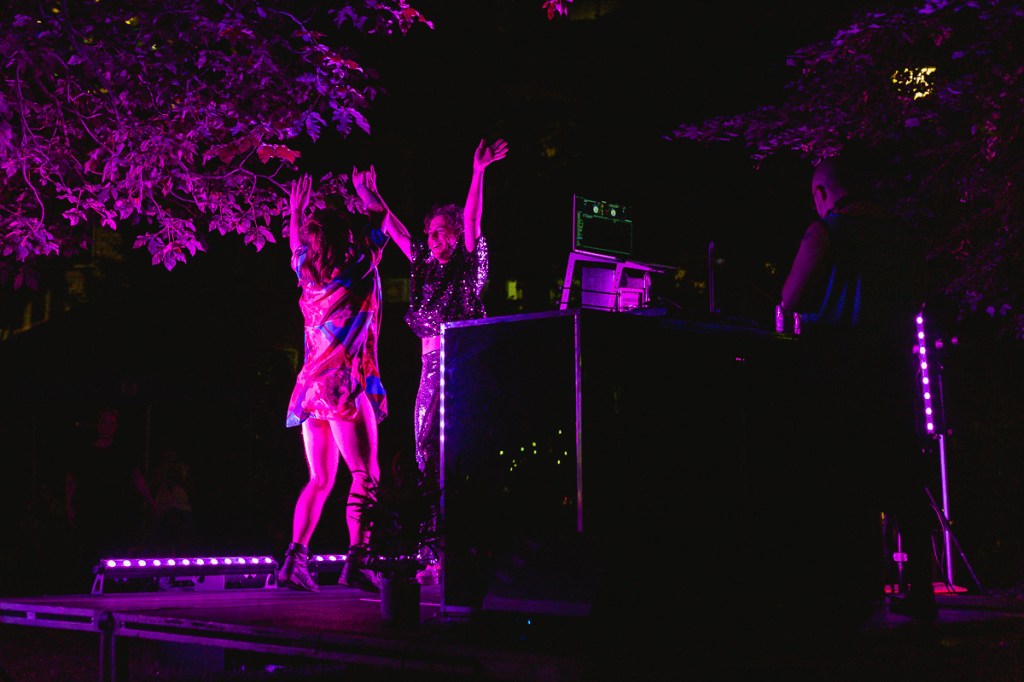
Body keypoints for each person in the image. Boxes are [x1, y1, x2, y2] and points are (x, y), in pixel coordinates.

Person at [779, 150, 937, 620]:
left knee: (844, 480)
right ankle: (920, 591)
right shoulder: (904, 235)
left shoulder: (825, 232)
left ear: (822, 192)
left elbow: (791, 298)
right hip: (894, 372)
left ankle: (851, 592)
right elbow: (918, 297)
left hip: (838, 373)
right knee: (904, 483)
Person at [353, 138, 508, 585]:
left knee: (453, 452)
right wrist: (371, 196)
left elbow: (474, 218)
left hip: (460, 367)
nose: (437, 240)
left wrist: (478, 172)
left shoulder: (468, 263)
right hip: (429, 369)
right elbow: (397, 229)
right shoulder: (423, 264)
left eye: (444, 232)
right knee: (424, 452)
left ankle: (457, 550)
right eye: (433, 233)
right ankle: (432, 551)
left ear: (457, 235)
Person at [277, 171, 388, 594]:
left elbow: (295, 245)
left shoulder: (306, 274)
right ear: (346, 240)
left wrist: (295, 210)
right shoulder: (358, 269)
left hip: (309, 390)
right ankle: (358, 560)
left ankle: (294, 561)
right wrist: (367, 192)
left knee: (320, 478)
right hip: (341, 385)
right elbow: (379, 221)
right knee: (366, 473)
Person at [65, 405, 158, 584]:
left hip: (117, 513)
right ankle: (90, 585)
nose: (108, 426)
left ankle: (113, 586)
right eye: (104, 422)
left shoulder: (124, 451)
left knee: (116, 553)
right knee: (92, 552)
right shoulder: (85, 451)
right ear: (98, 424)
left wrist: (150, 501)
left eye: (112, 423)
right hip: (91, 511)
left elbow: (136, 477)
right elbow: (72, 477)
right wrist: (68, 504)